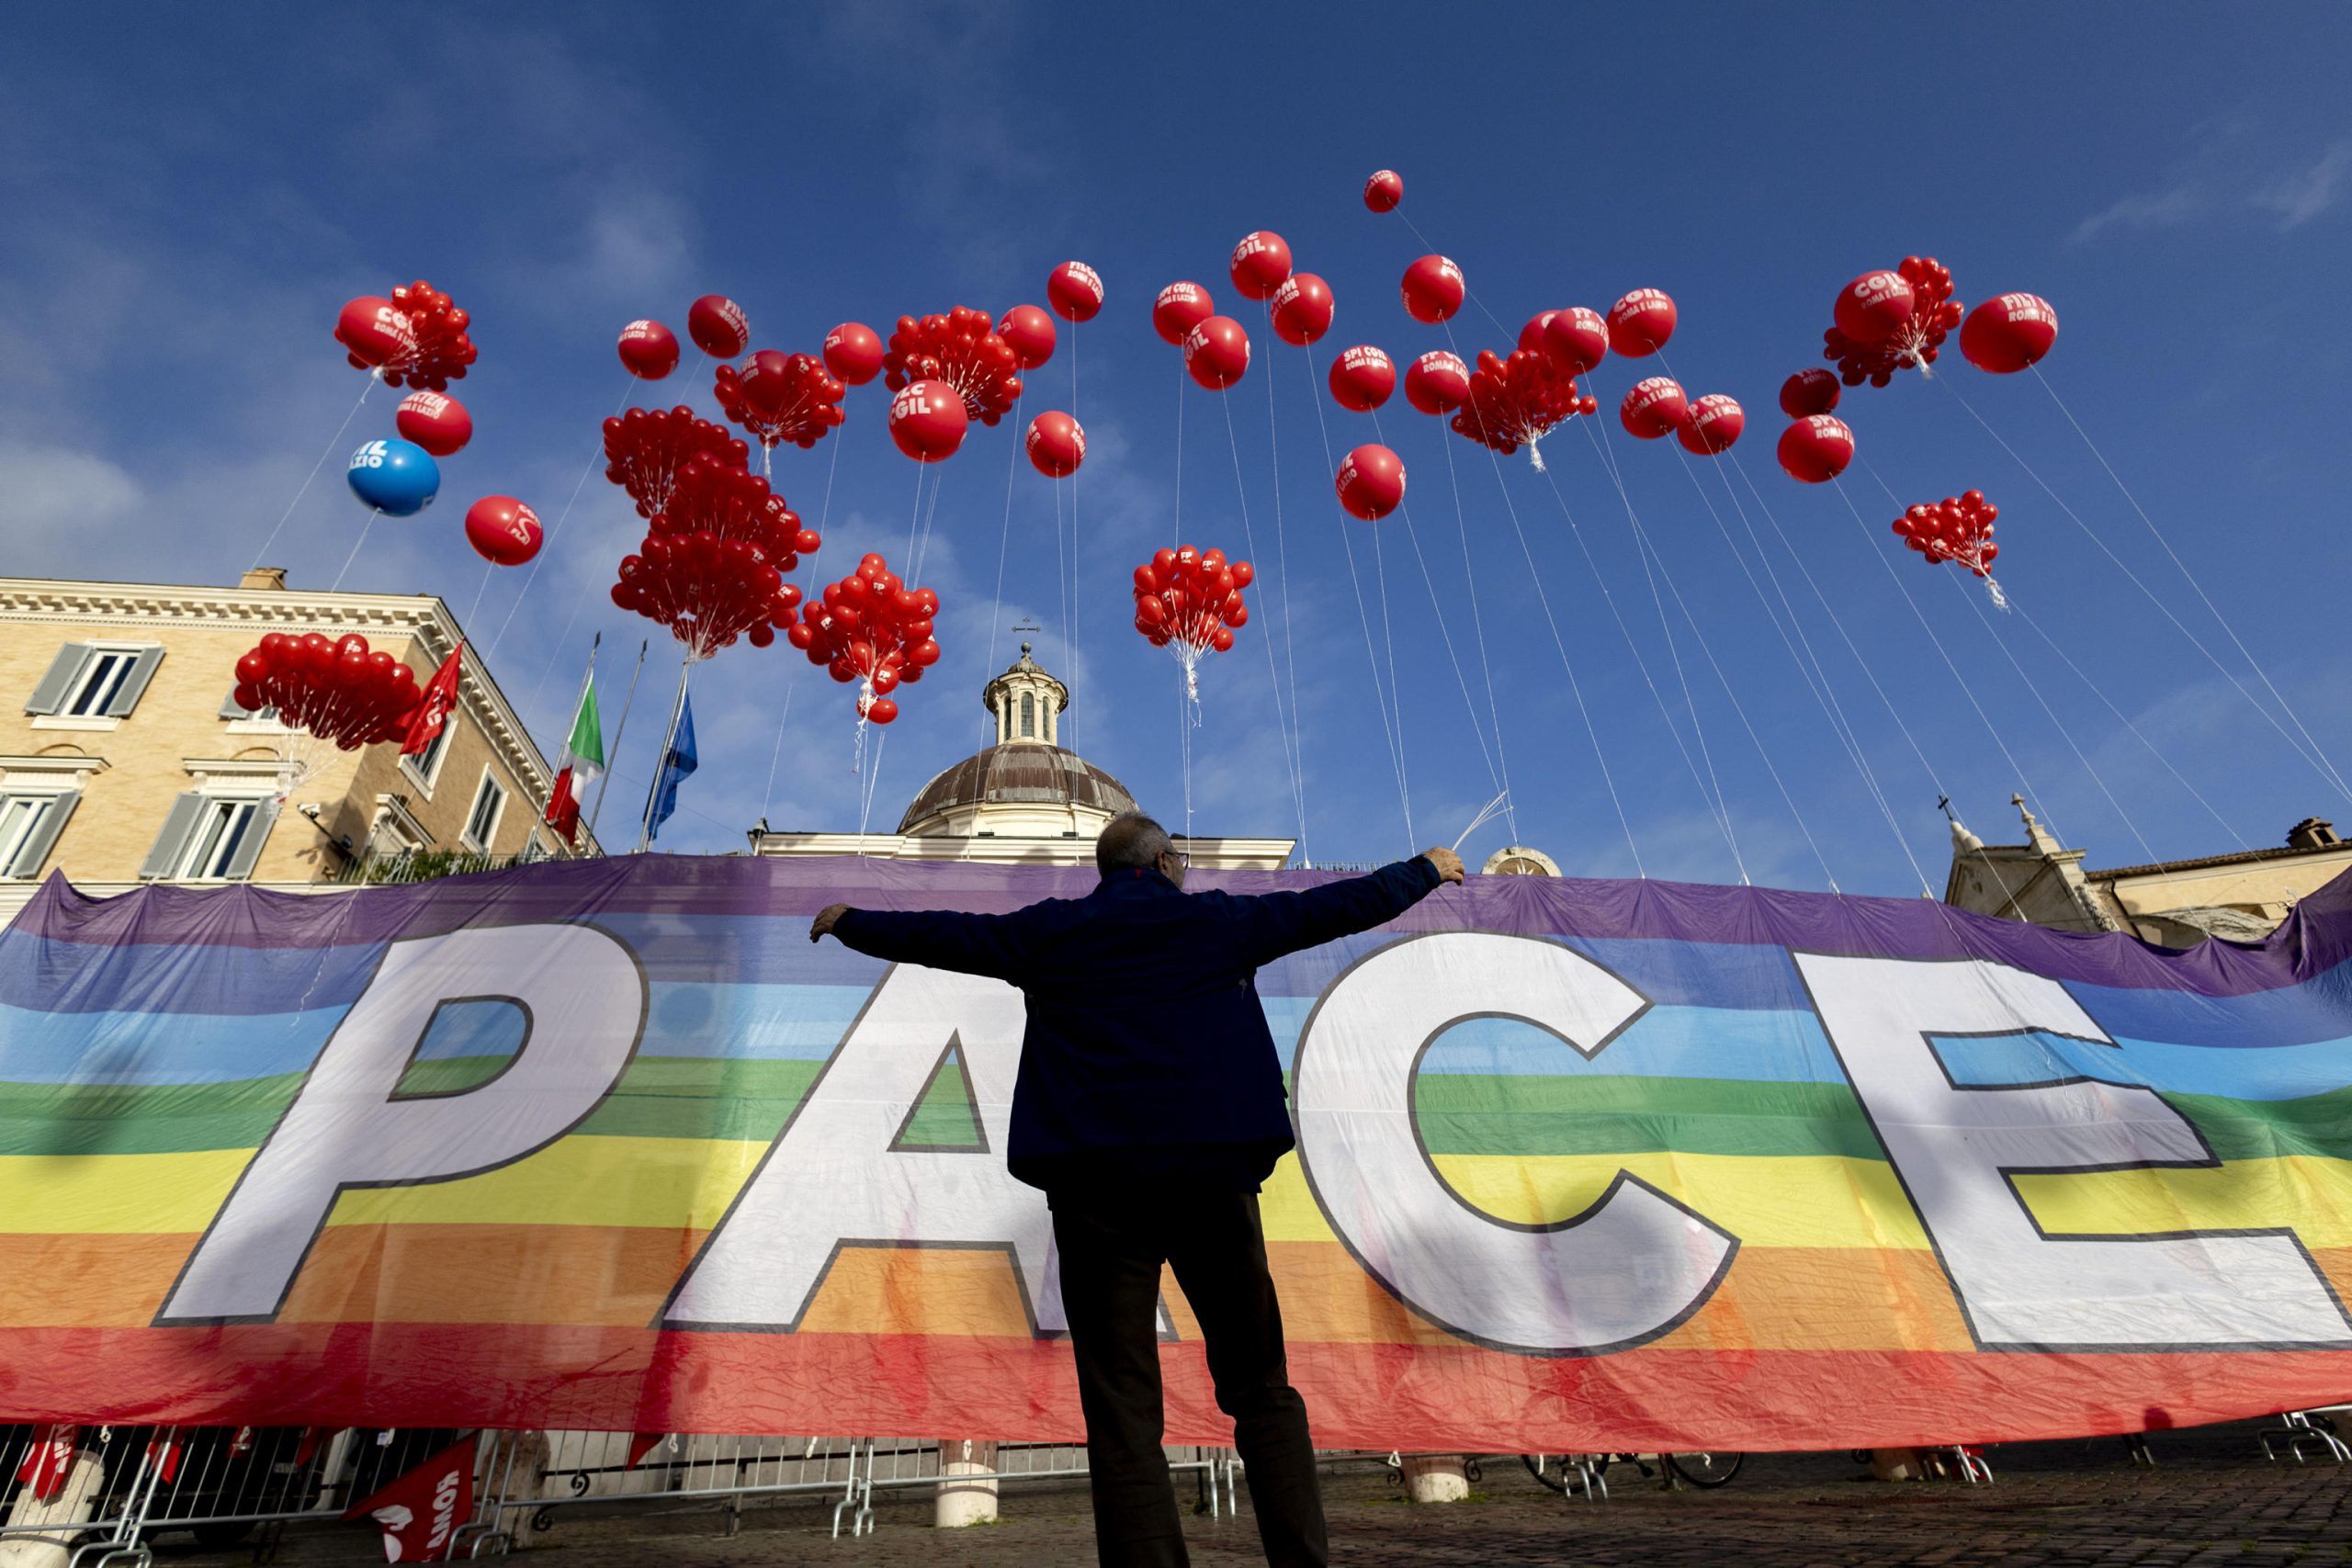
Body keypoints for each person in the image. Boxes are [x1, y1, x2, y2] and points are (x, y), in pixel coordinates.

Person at [810, 812, 1464, 1567]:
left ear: (1106, 869)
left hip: (1095, 1194)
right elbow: (1333, 907)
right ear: (1164, 861)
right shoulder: (1218, 921)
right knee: (1261, 1390)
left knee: (1122, 1412)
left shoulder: (1054, 931)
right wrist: (1424, 869)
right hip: (1209, 1182)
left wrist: (851, 922)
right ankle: (1300, 1560)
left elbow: (949, 935)